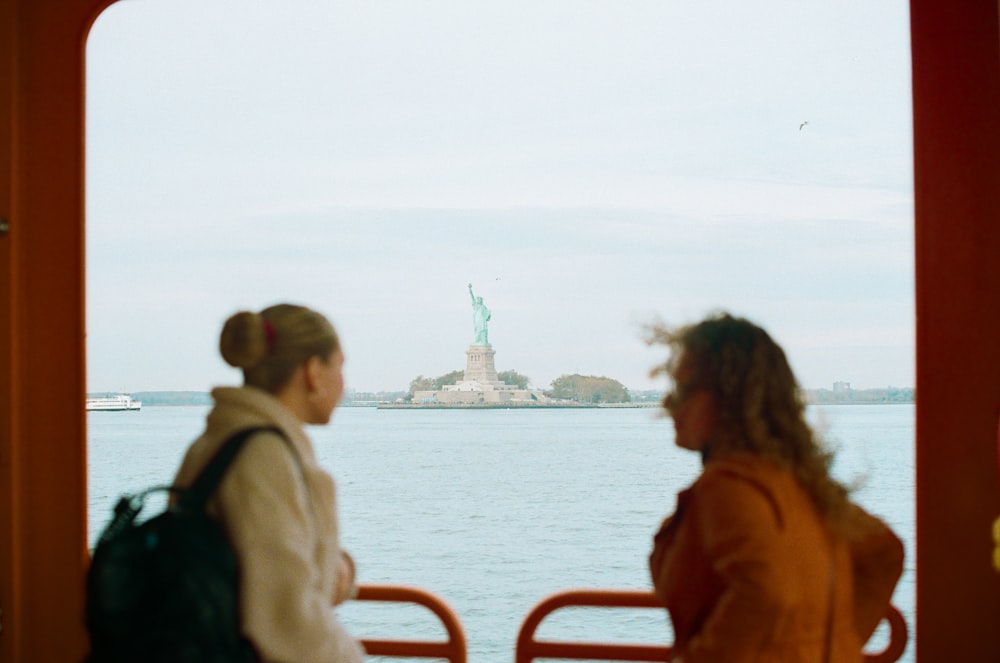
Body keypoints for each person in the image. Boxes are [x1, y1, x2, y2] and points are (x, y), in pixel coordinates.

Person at [647, 312, 903, 663]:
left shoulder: (728, 488)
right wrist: (835, 646)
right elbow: (884, 553)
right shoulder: (797, 483)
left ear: (730, 401)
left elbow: (764, 593)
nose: (669, 403)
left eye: (686, 389)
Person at [173, 303, 365, 663]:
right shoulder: (264, 458)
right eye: (340, 365)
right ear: (312, 372)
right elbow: (288, 625)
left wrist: (334, 570)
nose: (344, 382)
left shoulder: (216, 443)